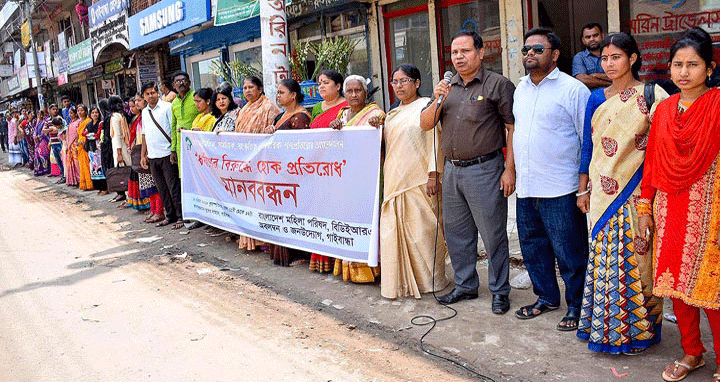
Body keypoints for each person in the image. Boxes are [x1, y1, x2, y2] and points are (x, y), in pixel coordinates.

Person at [635, 28, 720, 382]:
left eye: (693, 64)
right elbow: (652, 161)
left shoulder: (718, 105)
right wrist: (644, 208)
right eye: (677, 64)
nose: (684, 72)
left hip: (712, 208)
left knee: (712, 290)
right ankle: (692, 353)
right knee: (675, 286)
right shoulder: (665, 109)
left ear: (710, 68)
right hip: (670, 207)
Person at [576, 32, 668, 354]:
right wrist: (582, 187)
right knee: (605, 263)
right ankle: (609, 329)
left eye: (616, 57)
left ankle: (641, 332)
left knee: (640, 260)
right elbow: (588, 145)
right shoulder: (597, 98)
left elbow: (665, 142)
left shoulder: (651, 93)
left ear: (632, 59)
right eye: (605, 58)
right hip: (602, 194)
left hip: (639, 192)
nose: (610, 63)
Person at [419, 30, 515, 314]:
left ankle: (500, 291)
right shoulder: (446, 88)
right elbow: (425, 124)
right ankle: (465, 285)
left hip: (485, 169)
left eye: (466, 51)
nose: (459, 57)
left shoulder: (498, 85)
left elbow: (512, 129)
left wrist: (509, 170)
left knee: (492, 233)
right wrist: (437, 99)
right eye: (455, 52)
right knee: (457, 233)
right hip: (452, 170)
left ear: (481, 53)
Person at [512, 27, 590, 330]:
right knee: (533, 249)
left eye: (538, 49)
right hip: (527, 187)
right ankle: (546, 297)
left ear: (555, 55)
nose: (530, 54)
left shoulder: (573, 90)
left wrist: (584, 187)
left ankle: (577, 306)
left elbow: (588, 141)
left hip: (561, 188)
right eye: (526, 50)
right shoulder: (520, 88)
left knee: (570, 252)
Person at [369, 64, 449, 299]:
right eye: (395, 82)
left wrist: (434, 174)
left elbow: (435, 140)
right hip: (395, 179)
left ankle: (430, 280)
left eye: (404, 81)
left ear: (416, 83)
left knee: (424, 232)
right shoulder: (392, 114)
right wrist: (377, 128)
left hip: (420, 180)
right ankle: (400, 282)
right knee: (395, 230)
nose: (399, 86)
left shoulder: (426, 106)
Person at [328, 75, 385, 283]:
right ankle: (350, 269)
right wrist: (335, 129)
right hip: (346, 177)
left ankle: (372, 269)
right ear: (344, 94)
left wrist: (378, 126)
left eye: (358, 90)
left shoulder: (376, 114)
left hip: (367, 178)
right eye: (349, 91)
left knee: (368, 221)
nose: (354, 94)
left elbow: (384, 142)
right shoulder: (342, 114)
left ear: (365, 92)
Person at [306, 70, 349, 273]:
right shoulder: (316, 108)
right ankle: (321, 259)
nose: (321, 86)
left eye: (326, 83)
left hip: (338, 168)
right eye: (319, 83)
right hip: (318, 168)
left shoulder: (347, 106)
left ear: (338, 86)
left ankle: (340, 261)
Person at [267, 78, 311, 266]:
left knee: (295, 212)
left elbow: (300, 148)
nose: (278, 96)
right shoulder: (281, 116)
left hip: (294, 174)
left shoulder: (301, 117)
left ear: (293, 95)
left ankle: (298, 254)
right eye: (277, 92)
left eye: (282, 92)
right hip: (279, 172)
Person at [232, 76, 280, 250]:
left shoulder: (268, 108)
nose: (247, 91)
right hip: (245, 163)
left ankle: (263, 240)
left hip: (261, 162)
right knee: (246, 201)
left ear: (260, 89)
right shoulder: (244, 109)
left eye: (251, 87)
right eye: (244, 88)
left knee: (260, 200)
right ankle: (249, 239)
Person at [140, 82, 183, 230]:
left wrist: (173, 151)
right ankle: (169, 215)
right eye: (147, 94)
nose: (151, 96)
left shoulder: (167, 107)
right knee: (162, 188)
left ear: (157, 93)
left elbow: (173, 130)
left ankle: (180, 216)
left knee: (173, 187)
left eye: (153, 92)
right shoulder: (144, 112)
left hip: (167, 154)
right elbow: (144, 134)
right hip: (153, 156)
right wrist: (143, 155)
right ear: (144, 97)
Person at [134, 94, 164, 223]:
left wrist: (145, 153)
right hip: (144, 153)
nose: (137, 103)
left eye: (139, 100)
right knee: (148, 185)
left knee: (155, 185)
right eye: (136, 100)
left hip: (153, 153)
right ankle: (153, 209)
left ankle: (159, 211)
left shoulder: (151, 115)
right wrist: (142, 155)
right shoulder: (140, 117)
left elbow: (147, 136)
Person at [170, 71, 199, 179]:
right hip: (181, 147)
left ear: (189, 83)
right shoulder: (174, 103)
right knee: (185, 176)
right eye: (177, 81)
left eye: (184, 80)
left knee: (199, 175)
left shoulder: (196, 97)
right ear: (173, 85)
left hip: (197, 145)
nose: (181, 83)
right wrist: (173, 149)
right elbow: (173, 127)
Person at [573, 23, 611, 89]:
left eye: (595, 35)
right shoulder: (579, 57)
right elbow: (583, 80)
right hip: (590, 98)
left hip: (613, 97)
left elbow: (619, 76)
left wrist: (595, 75)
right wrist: (610, 83)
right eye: (588, 37)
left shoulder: (611, 54)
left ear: (602, 36)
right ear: (583, 40)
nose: (592, 39)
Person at [109, 96, 130, 202]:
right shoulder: (122, 115)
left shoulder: (114, 117)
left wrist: (118, 153)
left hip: (120, 148)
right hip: (124, 146)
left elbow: (117, 135)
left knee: (123, 171)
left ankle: (127, 196)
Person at [85, 106, 107, 194]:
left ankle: (104, 188)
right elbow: (84, 133)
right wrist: (91, 135)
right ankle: (99, 188)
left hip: (99, 148)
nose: (95, 114)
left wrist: (90, 135)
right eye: (93, 112)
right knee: (94, 169)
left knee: (101, 168)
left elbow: (98, 135)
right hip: (91, 149)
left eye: (96, 112)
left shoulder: (101, 123)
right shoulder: (89, 124)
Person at [43, 104, 66, 182]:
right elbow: (43, 131)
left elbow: (59, 130)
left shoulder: (60, 119)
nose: (55, 111)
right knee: (58, 161)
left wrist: (52, 129)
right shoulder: (48, 120)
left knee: (63, 160)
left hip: (60, 142)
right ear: (49, 110)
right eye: (53, 109)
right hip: (53, 142)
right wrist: (51, 129)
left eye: (56, 109)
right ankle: (63, 175)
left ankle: (65, 176)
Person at [75, 105, 93, 191]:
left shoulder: (88, 121)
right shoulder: (79, 122)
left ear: (86, 111)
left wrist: (82, 141)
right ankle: (84, 184)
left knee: (87, 164)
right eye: (78, 110)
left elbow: (87, 133)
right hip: (79, 146)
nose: (79, 112)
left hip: (85, 145)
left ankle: (90, 184)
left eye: (81, 110)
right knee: (82, 165)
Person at [64, 107, 81, 187]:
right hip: (70, 146)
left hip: (76, 145)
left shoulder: (78, 122)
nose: (70, 115)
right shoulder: (71, 123)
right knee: (72, 163)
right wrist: (67, 145)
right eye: (69, 113)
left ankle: (80, 179)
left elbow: (78, 134)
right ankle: (74, 180)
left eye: (71, 113)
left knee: (77, 163)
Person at [33, 109, 51, 176]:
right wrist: (35, 137)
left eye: (41, 114)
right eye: (38, 114)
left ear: (43, 115)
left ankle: (45, 169)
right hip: (37, 141)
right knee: (37, 155)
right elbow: (35, 131)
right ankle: (39, 170)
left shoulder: (44, 122)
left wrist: (39, 136)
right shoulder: (37, 123)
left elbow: (44, 132)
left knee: (44, 154)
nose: (39, 116)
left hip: (43, 140)